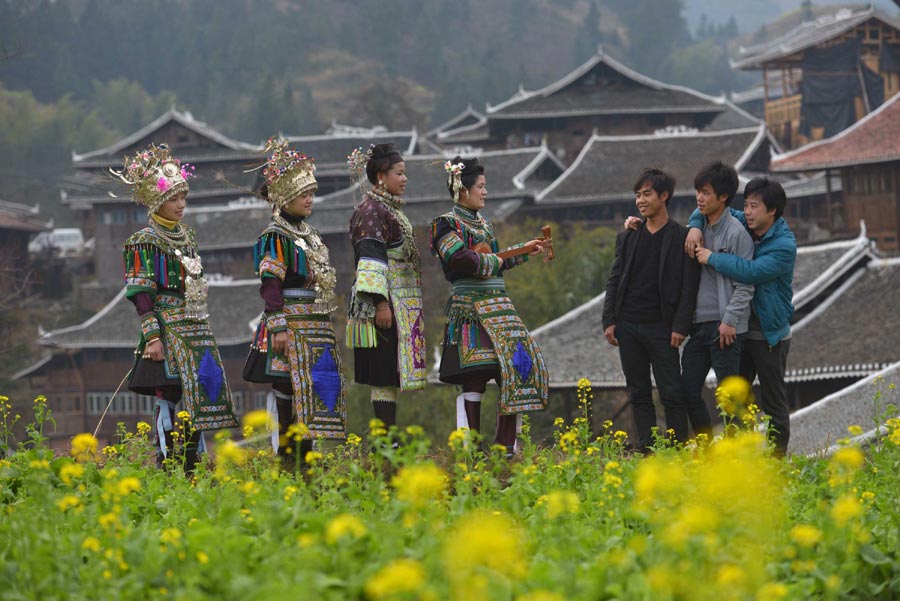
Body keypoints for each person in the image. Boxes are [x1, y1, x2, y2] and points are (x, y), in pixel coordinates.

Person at [117, 143, 238, 471]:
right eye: (174, 198)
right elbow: (142, 294)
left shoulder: (188, 237)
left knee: (197, 397)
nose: (181, 204)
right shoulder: (144, 241)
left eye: (183, 197)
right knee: (168, 394)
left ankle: (194, 462)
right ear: (157, 201)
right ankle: (167, 462)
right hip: (166, 329)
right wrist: (152, 336)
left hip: (195, 326)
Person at [430, 156, 549, 454]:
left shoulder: (484, 224)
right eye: (480, 186)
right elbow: (458, 258)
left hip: (499, 308)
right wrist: (490, 260)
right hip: (470, 308)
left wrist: (524, 251)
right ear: (462, 189)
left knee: (516, 367)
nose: (485, 192)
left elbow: (497, 264)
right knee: (475, 374)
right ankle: (469, 445)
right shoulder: (445, 225)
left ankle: (506, 445)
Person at [243, 139, 346, 466]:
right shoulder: (275, 236)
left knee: (314, 396)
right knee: (288, 393)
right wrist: (278, 328)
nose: (310, 199)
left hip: (315, 325)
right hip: (289, 324)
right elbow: (270, 284)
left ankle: (308, 459)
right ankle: (287, 460)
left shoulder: (309, 234)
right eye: (304, 194)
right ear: (285, 197)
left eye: (312, 193)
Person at [692, 177, 796, 457]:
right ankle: (741, 458)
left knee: (773, 402)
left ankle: (776, 461)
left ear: (772, 210)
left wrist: (711, 257)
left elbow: (751, 272)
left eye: (755, 206)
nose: (747, 212)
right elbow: (710, 208)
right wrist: (693, 227)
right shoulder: (745, 224)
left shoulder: (784, 246)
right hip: (739, 330)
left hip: (768, 334)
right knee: (736, 397)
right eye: (746, 205)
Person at [602, 167, 699, 453]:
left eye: (647, 194)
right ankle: (647, 450)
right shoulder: (628, 236)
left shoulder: (681, 237)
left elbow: (688, 288)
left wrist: (681, 326)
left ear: (664, 196)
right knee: (638, 391)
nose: (641, 200)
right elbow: (615, 279)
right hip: (628, 324)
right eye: (638, 195)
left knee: (672, 391)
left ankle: (678, 448)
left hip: (662, 327)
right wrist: (609, 320)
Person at [346, 143, 426, 431]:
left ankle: (389, 439)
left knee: (390, 374)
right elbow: (370, 257)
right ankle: (387, 441)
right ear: (381, 175)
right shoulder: (371, 211)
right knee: (382, 374)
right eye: (399, 173)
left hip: (397, 302)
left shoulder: (387, 209)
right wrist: (381, 304)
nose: (404, 179)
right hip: (383, 303)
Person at [680, 162, 754, 438]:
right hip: (698, 326)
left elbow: (746, 283)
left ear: (723, 197)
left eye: (706, 193)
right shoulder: (695, 228)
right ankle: (707, 449)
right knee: (687, 389)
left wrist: (730, 320)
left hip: (725, 328)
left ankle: (738, 457)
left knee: (730, 399)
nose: (700, 198)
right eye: (698, 192)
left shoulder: (736, 232)